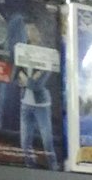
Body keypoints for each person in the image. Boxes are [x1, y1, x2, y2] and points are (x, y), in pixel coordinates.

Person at [15, 21, 59, 170]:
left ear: (39, 31)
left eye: (32, 29)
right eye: (27, 30)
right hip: (25, 103)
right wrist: (27, 79)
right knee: (24, 142)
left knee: (47, 141)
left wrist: (25, 80)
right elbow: (14, 75)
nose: (30, 33)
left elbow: (38, 84)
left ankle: (53, 166)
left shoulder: (47, 54)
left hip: (41, 104)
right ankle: (30, 166)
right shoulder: (22, 50)